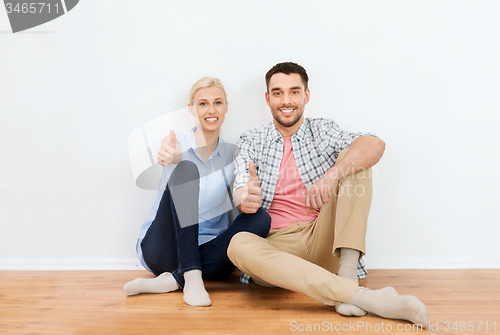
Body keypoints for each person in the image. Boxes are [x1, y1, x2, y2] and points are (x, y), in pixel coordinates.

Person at [227, 62, 429, 327]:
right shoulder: (251, 139)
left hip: (321, 237)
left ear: (306, 96)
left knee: (355, 158)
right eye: (277, 93)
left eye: (294, 92)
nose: (286, 101)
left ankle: (347, 273)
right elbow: (241, 182)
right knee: (237, 244)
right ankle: (366, 297)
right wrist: (245, 197)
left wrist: (332, 175)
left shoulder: (322, 129)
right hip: (277, 249)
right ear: (268, 98)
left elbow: (374, 145)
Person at [124, 77, 270, 307]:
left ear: (226, 107)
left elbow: (242, 190)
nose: (211, 110)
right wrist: (170, 155)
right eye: (203, 103)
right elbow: (170, 150)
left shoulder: (234, 156)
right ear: (192, 108)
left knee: (261, 218)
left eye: (217, 102)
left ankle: (175, 280)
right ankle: (191, 275)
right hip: (163, 249)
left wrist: (246, 195)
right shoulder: (177, 142)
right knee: (186, 169)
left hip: (209, 251)